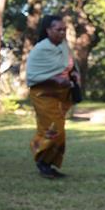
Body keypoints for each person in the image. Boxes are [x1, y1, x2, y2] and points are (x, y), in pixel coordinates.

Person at [27, 15, 79, 179]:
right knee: (54, 129)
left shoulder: (64, 45)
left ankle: (47, 163)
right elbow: (32, 75)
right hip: (44, 94)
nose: (62, 33)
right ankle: (41, 157)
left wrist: (74, 73)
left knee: (55, 128)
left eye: (64, 29)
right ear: (48, 30)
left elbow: (69, 64)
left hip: (61, 94)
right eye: (58, 29)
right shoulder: (40, 49)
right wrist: (53, 78)